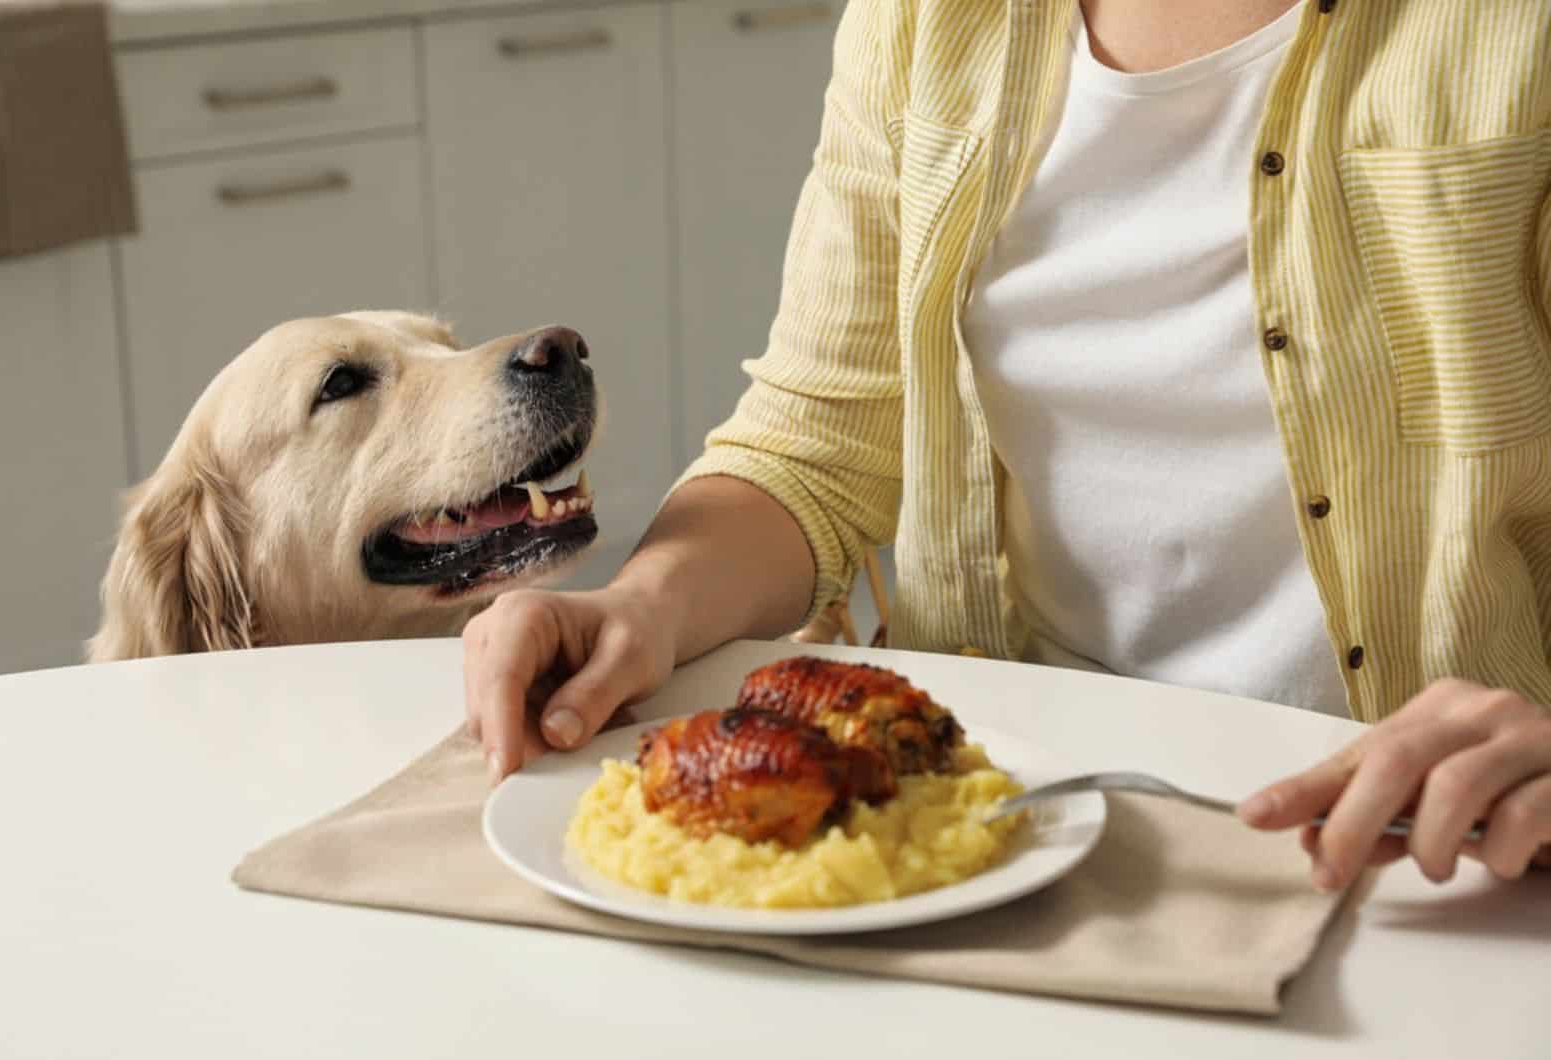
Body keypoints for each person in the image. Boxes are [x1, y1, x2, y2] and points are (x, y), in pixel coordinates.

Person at [463, 0, 1551, 891]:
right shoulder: (923, 22)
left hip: (1420, 849)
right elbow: (818, 436)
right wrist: (640, 607)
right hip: (992, 831)